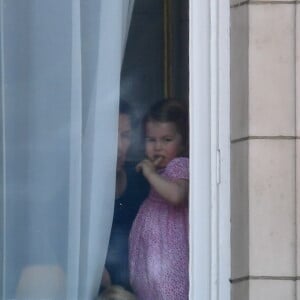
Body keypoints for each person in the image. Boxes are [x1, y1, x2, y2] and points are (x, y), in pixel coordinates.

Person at [129, 99, 189, 299]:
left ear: (182, 144)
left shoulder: (179, 165)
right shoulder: (160, 170)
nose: (158, 147)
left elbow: (176, 195)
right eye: (151, 140)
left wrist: (150, 175)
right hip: (152, 253)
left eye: (166, 140)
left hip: (170, 252)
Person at [103, 100, 149, 291]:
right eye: (111, 135)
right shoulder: (79, 196)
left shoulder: (143, 184)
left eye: (126, 136)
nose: (120, 146)